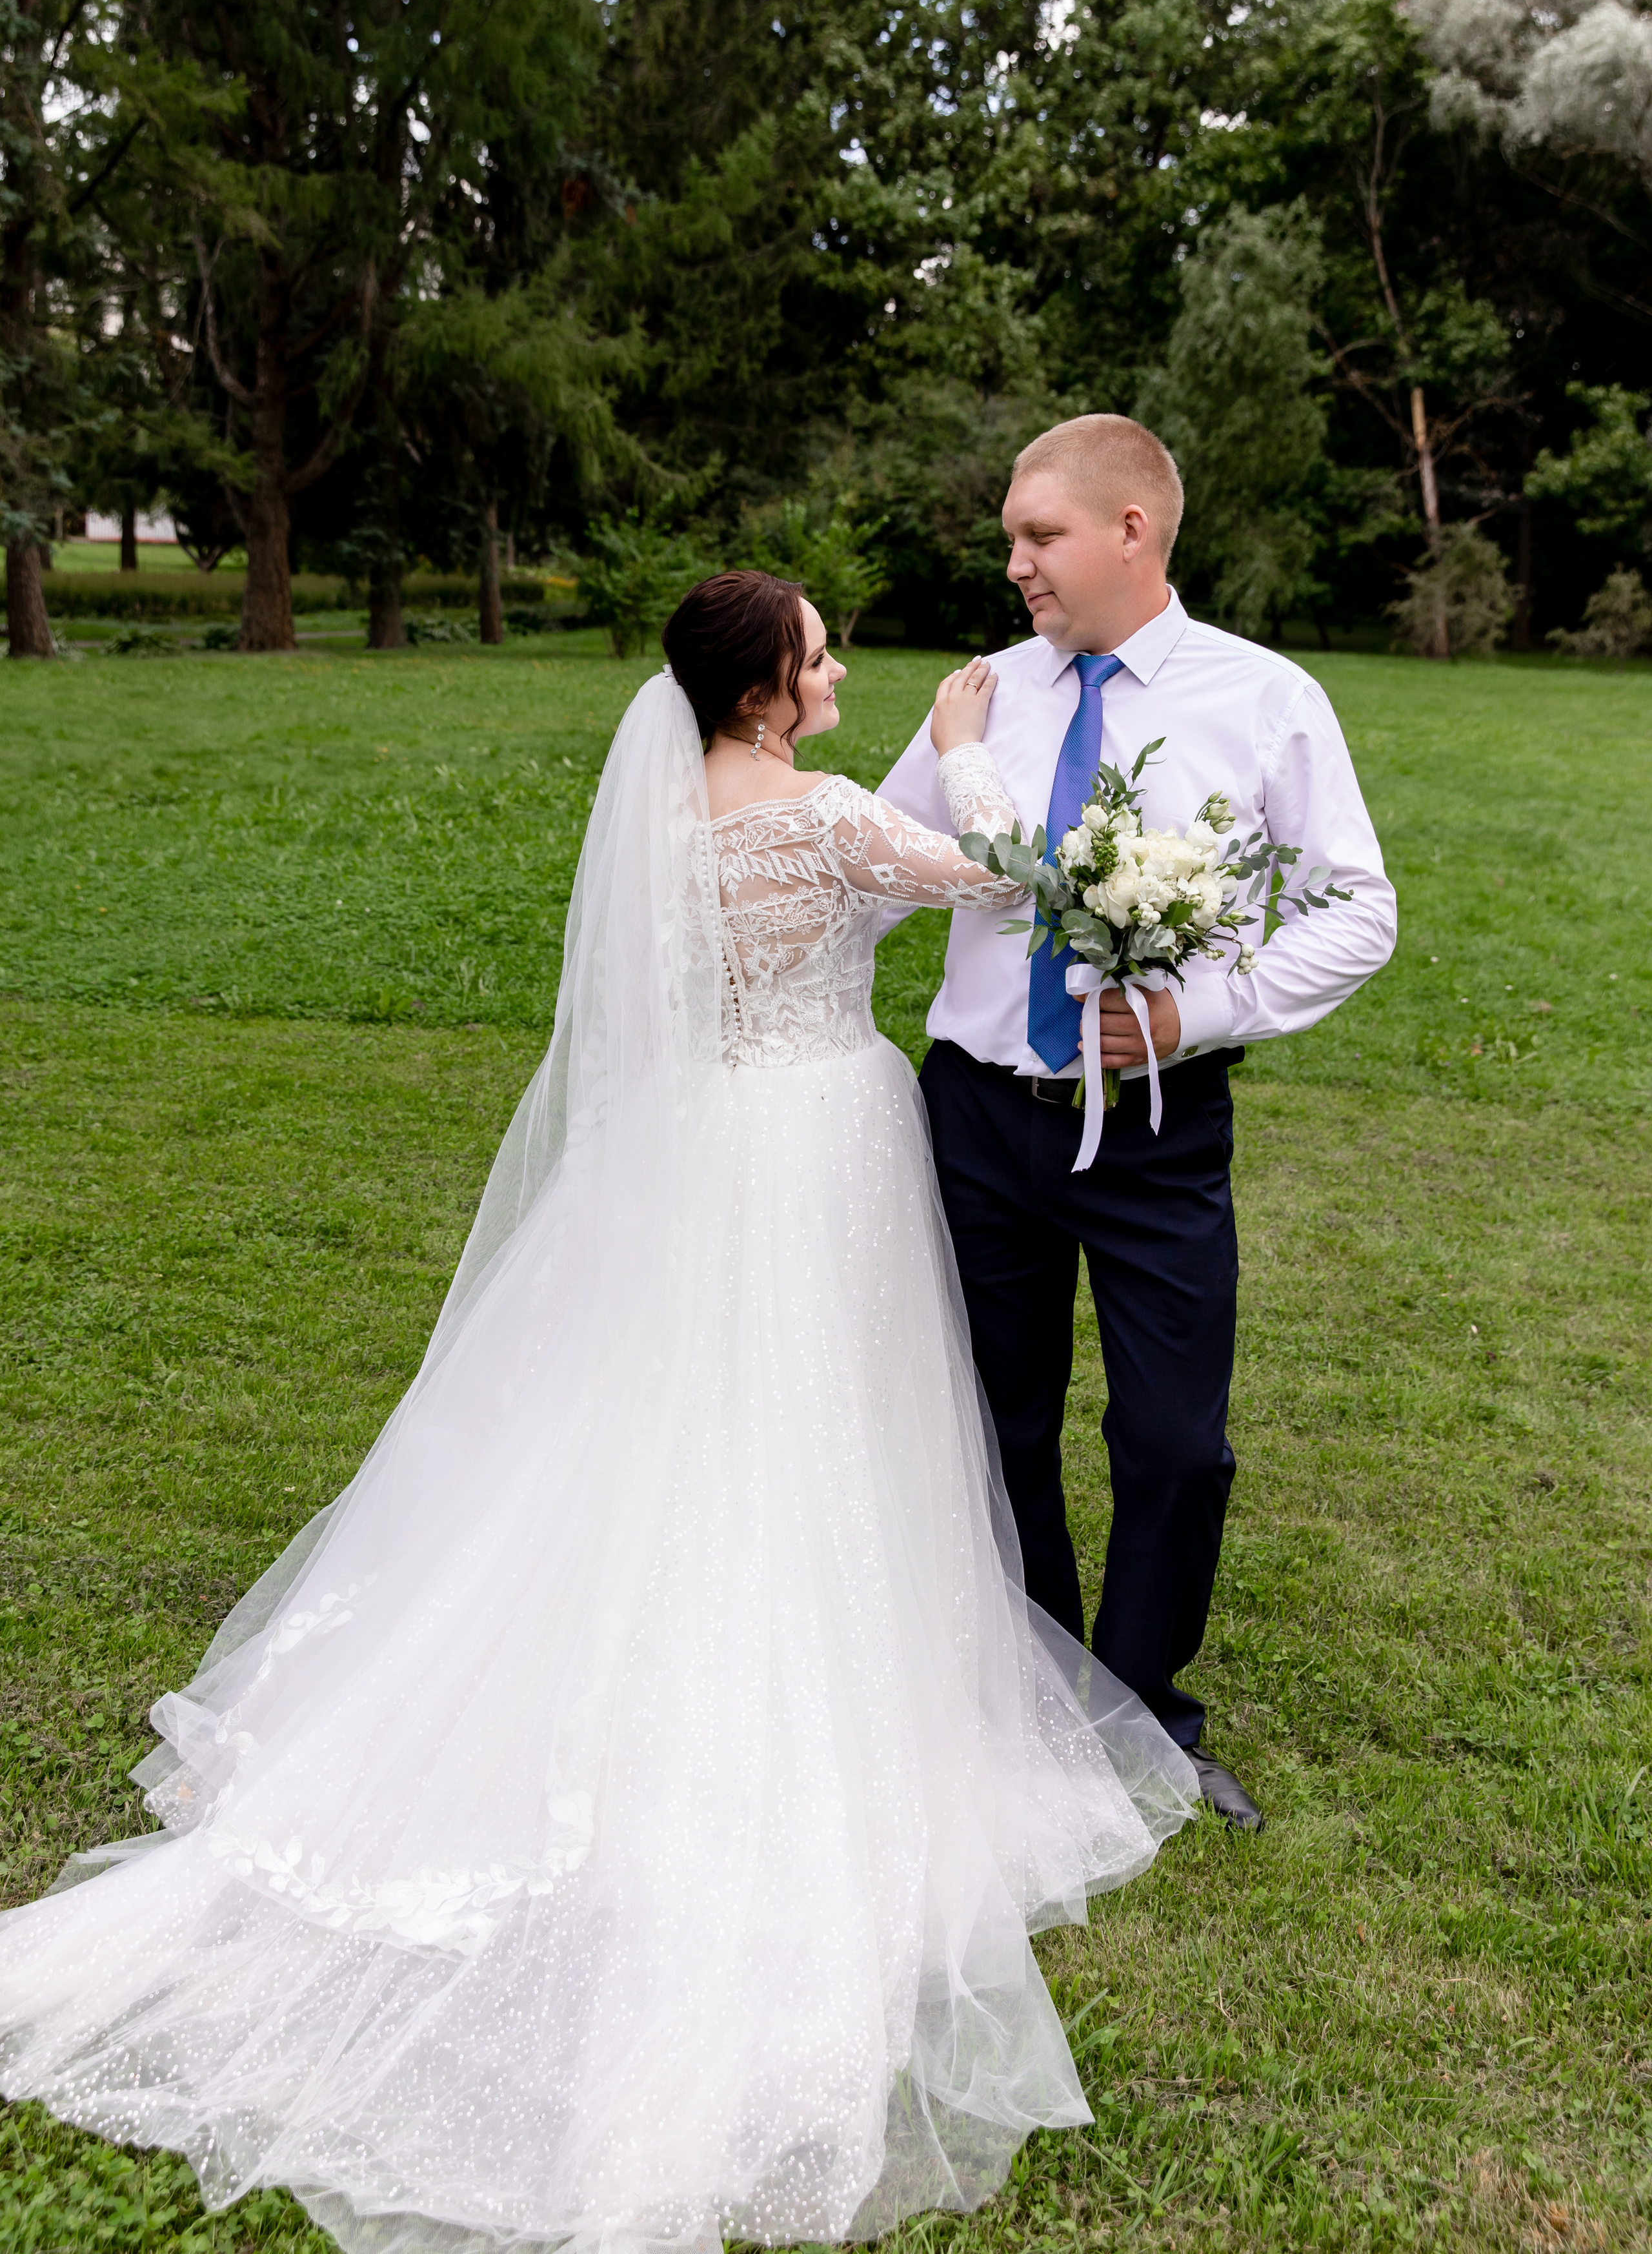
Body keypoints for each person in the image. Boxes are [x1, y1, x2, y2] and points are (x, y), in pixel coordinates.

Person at [0, 571, 1195, 2254]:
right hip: (815, 1151)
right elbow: (1013, 881)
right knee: (819, 1426)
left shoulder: (663, 831)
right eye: (819, 649)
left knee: (674, 1420)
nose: (841, 663)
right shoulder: (839, 822)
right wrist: (967, 754)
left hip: (697, 1149)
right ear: (769, 692)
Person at [880, 416, 1397, 1832]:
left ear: (1132, 531)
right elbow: (875, 866)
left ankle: (1144, 1713)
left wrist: (1197, 1009)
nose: (1014, 565)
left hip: (1159, 1129)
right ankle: (1031, 1705)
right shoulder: (977, 702)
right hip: (976, 1116)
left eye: (1037, 536)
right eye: (1007, 537)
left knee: (1175, 1443)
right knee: (996, 1423)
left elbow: (1359, 909)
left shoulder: (1264, 698)